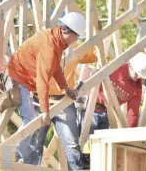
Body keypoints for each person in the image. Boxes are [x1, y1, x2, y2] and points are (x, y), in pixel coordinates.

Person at [5, 12, 87, 170]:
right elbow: (42, 80)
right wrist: (45, 111)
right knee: (32, 120)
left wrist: (65, 88)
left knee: (32, 123)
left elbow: (55, 69)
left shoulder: (55, 41)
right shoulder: (49, 46)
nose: (76, 40)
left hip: (22, 79)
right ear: (67, 31)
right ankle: (10, 155)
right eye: (76, 36)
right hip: (17, 79)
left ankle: (13, 156)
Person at [79, 52, 146, 137]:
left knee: (103, 146)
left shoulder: (136, 88)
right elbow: (93, 78)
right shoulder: (115, 67)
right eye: (137, 73)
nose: (139, 77)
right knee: (85, 141)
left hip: (108, 115)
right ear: (131, 66)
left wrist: (129, 136)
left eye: (141, 75)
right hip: (90, 108)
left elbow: (133, 114)